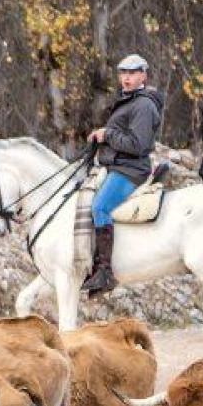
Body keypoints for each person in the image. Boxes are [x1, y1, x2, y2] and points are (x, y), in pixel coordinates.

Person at [82, 53, 164, 296]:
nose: (126, 78)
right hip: (117, 165)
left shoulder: (144, 105)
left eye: (132, 73)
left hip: (131, 169)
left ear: (143, 76)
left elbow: (137, 144)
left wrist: (107, 136)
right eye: (123, 73)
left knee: (100, 208)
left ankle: (105, 271)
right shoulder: (129, 100)